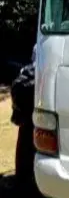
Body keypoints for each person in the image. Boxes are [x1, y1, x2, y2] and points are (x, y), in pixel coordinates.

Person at [10, 45, 36, 185]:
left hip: (25, 95)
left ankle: (22, 175)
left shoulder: (38, 46)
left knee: (24, 136)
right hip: (35, 95)